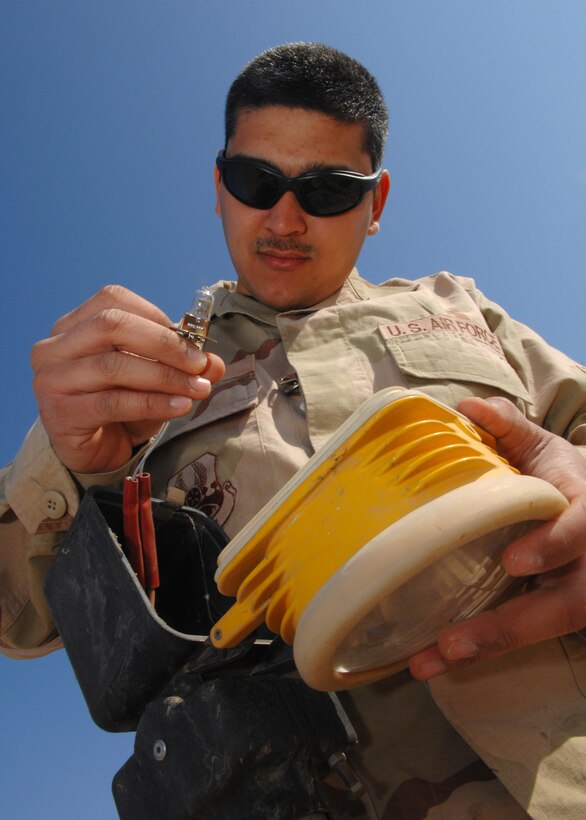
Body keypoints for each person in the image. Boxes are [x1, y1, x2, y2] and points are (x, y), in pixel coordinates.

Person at [2, 41, 586, 818]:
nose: (283, 217)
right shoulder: (138, 382)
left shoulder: (466, 312)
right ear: (219, 188)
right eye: (255, 182)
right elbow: (18, 621)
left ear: (375, 204)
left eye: (327, 189)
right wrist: (69, 463)